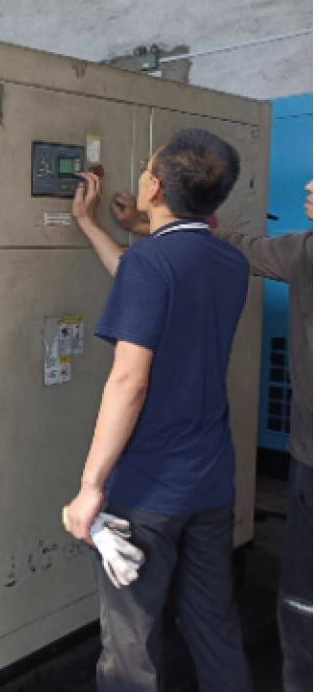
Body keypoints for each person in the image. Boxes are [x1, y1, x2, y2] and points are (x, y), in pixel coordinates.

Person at [63, 129, 253, 691]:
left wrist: (90, 487)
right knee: (214, 628)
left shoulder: (152, 263)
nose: (142, 174)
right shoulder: (230, 261)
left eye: (147, 168)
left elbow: (129, 382)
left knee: (131, 646)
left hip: (148, 492)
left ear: (156, 187)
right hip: (211, 482)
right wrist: (93, 226)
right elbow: (147, 275)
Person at [112, 181, 313, 692]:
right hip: (263, 471)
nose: (309, 185)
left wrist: (92, 486)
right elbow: (230, 246)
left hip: (166, 484)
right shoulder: (298, 253)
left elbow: (129, 380)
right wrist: (148, 226)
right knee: (280, 610)